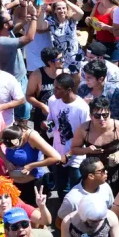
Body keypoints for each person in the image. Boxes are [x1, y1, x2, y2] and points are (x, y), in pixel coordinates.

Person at [46, 73, 91, 201]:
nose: (54, 91)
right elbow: (52, 120)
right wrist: (46, 124)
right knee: (62, 189)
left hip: (76, 157)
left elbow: (85, 135)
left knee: (78, 189)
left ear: (68, 90)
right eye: (54, 87)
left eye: (58, 88)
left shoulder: (82, 107)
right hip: (58, 153)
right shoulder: (53, 101)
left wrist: (69, 154)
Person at [0, 124, 61, 206]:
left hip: (33, 184)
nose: (13, 150)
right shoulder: (7, 133)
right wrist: (6, 161)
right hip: (14, 184)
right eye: (9, 148)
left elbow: (56, 157)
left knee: (34, 213)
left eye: (15, 147)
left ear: (21, 138)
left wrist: (31, 166)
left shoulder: (32, 137)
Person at [59, 157, 115, 222]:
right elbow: (59, 222)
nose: (106, 172)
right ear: (91, 176)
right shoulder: (72, 199)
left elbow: (110, 209)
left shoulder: (105, 187)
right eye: (102, 171)